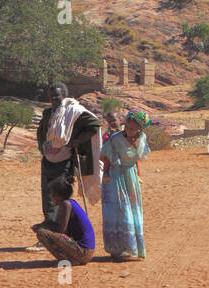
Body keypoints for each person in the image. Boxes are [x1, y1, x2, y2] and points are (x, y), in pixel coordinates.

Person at [35, 83, 100, 227]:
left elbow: (94, 125)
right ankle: (50, 225)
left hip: (64, 163)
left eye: (57, 96)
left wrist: (74, 142)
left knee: (60, 195)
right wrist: (42, 147)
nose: (54, 99)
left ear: (64, 96)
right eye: (51, 96)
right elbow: (40, 131)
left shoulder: (73, 112)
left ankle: (60, 229)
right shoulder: (48, 113)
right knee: (47, 196)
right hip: (47, 161)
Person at [100, 110, 151, 262]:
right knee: (118, 212)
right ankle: (116, 249)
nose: (128, 130)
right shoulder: (115, 139)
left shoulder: (142, 139)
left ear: (140, 129)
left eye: (132, 129)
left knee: (133, 211)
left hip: (131, 179)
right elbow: (104, 157)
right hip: (115, 179)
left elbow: (137, 160)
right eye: (127, 127)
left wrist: (138, 176)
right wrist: (106, 176)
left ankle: (132, 246)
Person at [32, 177, 96, 265]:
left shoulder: (66, 205)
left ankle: (68, 260)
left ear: (57, 195)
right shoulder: (70, 203)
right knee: (44, 232)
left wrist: (42, 227)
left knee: (42, 233)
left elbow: (61, 230)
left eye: (52, 194)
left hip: (83, 251)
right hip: (86, 251)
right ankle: (70, 259)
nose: (50, 197)